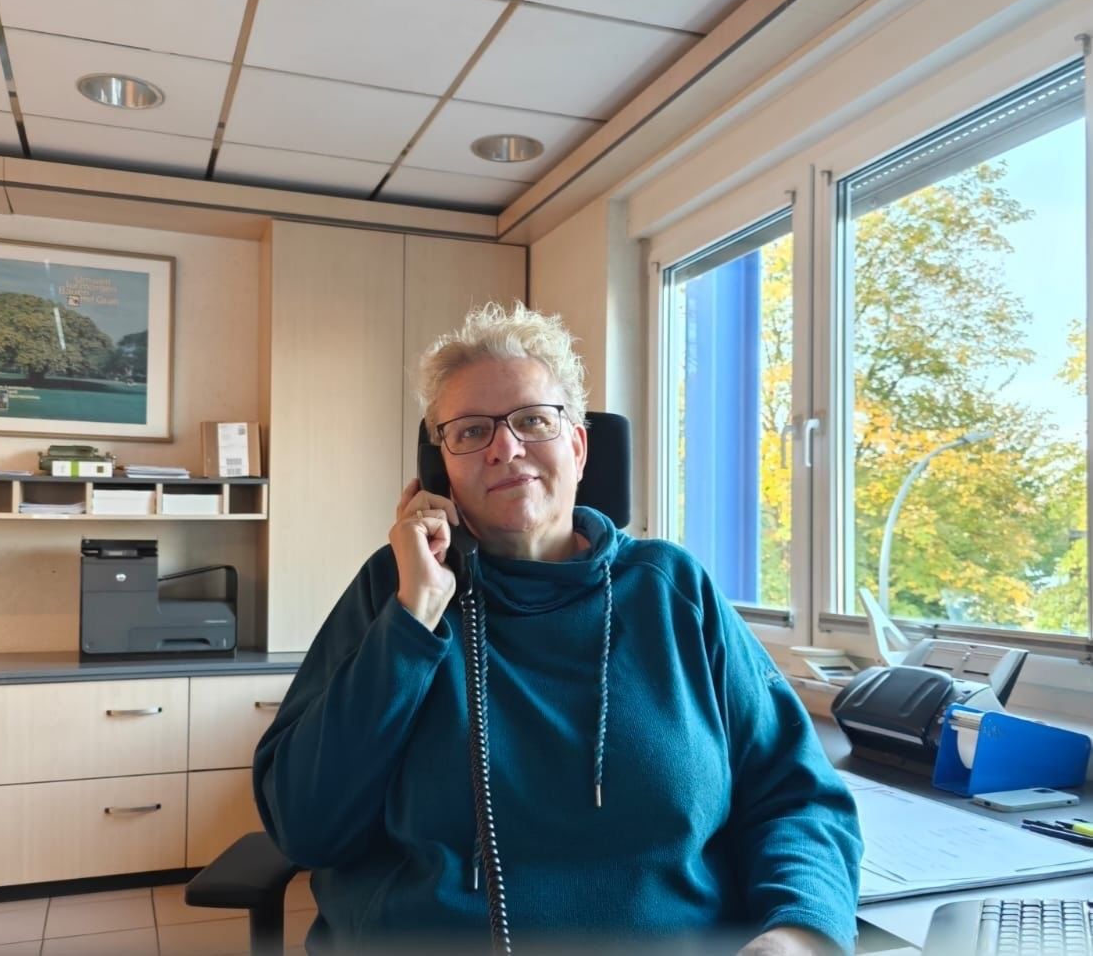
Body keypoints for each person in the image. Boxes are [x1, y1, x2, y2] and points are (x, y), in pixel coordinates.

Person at [254, 303, 861, 954]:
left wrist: (798, 932)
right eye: (470, 431)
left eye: (532, 420)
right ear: (439, 471)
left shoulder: (672, 590)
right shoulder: (395, 588)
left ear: (576, 445)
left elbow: (796, 796)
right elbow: (305, 826)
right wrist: (414, 618)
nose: (505, 448)